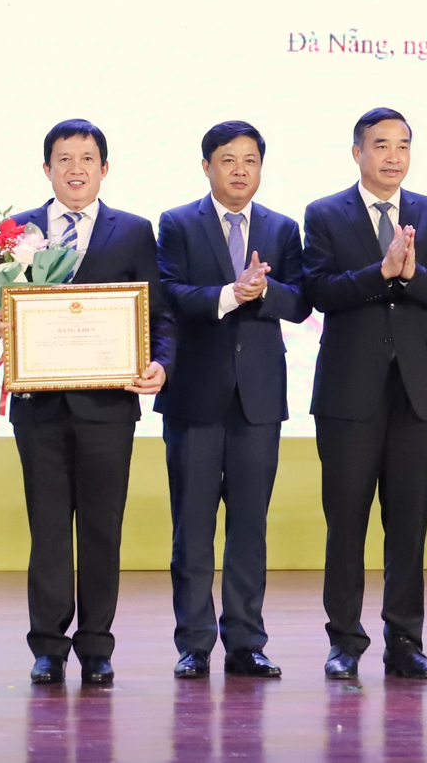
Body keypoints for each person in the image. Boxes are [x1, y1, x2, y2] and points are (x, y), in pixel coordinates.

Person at [0, 119, 171, 687]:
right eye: (64, 159)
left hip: (108, 408)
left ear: (104, 168)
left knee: (102, 528)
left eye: (87, 158)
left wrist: (160, 363)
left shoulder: (135, 231)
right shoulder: (13, 231)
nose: (76, 168)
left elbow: (158, 315)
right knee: (47, 530)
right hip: (39, 407)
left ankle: (96, 644)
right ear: (46, 168)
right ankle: (47, 646)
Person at [304, 107, 427, 680]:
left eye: (402, 146)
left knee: (408, 523)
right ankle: (345, 640)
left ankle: (405, 640)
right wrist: (382, 272)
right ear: (357, 153)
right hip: (348, 393)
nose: (392, 156)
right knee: (345, 522)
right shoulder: (324, 214)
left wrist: (412, 274)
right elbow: (318, 290)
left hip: (416, 394)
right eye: (380, 146)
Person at [155, 120, 310, 680]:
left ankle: (246, 641)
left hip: (258, 401)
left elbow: (301, 303)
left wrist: (264, 290)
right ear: (207, 167)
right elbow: (168, 293)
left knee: (249, 527)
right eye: (227, 159)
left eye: (249, 160)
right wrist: (227, 294)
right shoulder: (176, 224)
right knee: (191, 528)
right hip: (195, 396)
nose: (239, 169)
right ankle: (194, 643)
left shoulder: (283, 227)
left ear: (260, 167)